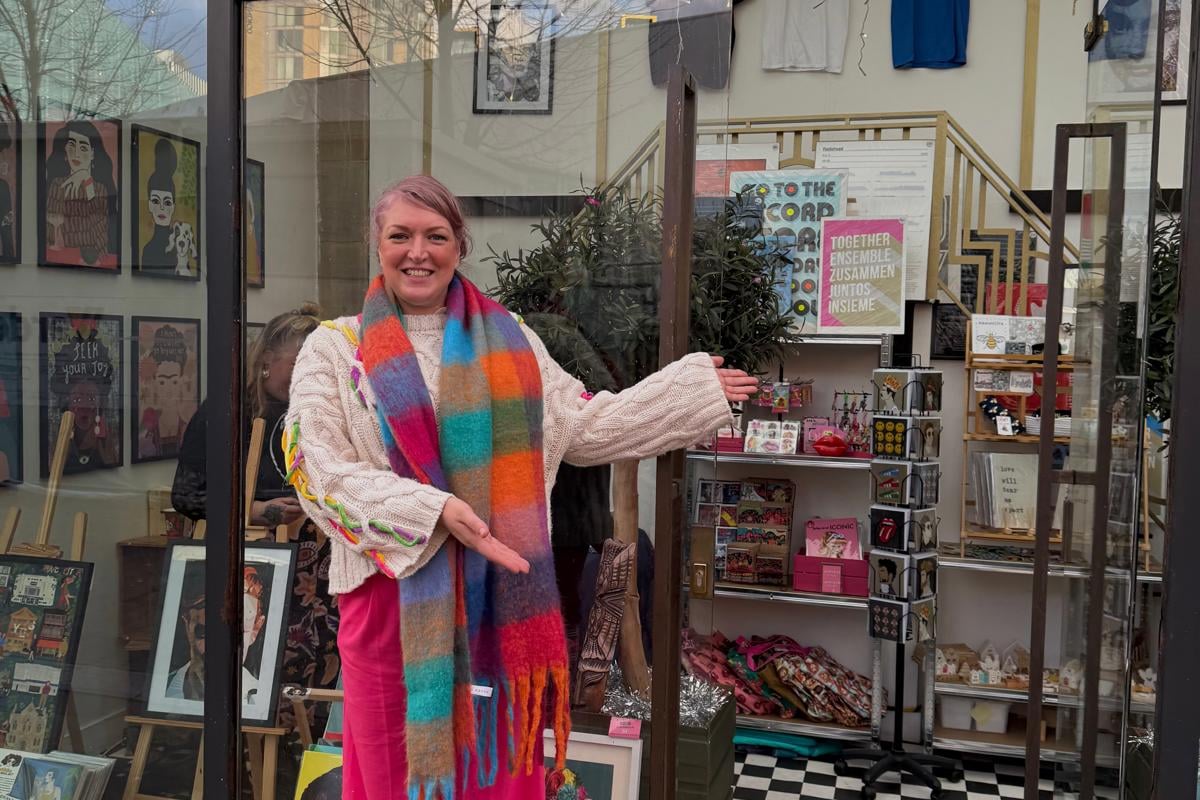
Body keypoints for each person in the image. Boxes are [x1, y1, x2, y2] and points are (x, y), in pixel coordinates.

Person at [284, 175, 758, 798]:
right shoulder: (334, 348)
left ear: (459, 245)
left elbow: (581, 426)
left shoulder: (512, 340)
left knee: (497, 772)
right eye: (400, 236)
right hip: (389, 603)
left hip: (498, 601)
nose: (417, 252)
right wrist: (435, 511)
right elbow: (314, 468)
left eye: (436, 236)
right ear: (379, 244)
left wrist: (686, 393)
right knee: (397, 777)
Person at [171, 304, 341, 726]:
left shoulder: (322, 411)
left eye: (317, 367)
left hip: (318, 576)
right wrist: (255, 510)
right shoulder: (226, 410)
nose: (307, 377)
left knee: (313, 673)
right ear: (266, 358)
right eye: (298, 364)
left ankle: (303, 752)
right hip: (252, 566)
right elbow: (187, 495)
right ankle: (248, 759)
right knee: (253, 670)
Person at [44, 120, 117, 266]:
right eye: (71, 146)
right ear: (65, 151)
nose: (76, 154)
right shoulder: (57, 185)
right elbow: (51, 235)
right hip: (63, 261)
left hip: (96, 264)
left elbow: (99, 230)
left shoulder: (100, 189)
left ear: (92, 153)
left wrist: (86, 177)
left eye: (83, 148)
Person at [140, 137, 179, 273]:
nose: (162, 208)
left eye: (167, 202)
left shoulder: (179, 247)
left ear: (173, 207)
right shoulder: (148, 251)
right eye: (156, 201)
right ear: (150, 205)